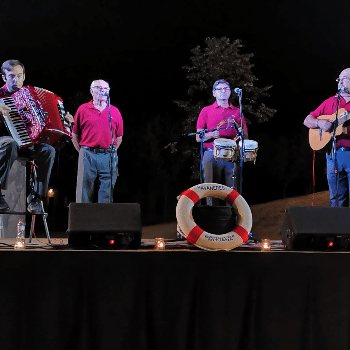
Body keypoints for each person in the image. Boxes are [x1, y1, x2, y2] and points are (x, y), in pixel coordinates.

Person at [0, 59, 56, 213]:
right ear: (4, 77)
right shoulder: (0, 94)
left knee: (49, 151)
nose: (15, 79)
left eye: (19, 76)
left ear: (24, 76)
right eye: (11, 76)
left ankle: (35, 197)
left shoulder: (29, 95)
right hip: (5, 143)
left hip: (27, 143)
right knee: (10, 143)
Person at [304, 68, 350, 207]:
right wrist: (320, 122)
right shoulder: (330, 102)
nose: (340, 81)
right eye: (339, 79)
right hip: (332, 156)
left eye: (344, 78)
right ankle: (337, 228)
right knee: (336, 200)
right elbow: (307, 120)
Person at [72, 79, 123, 203]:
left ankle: (103, 220)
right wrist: (82, 151)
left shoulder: (115, 111)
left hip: (108, 155)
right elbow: (74, 134)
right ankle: (83, 219)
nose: (103, 91)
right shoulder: (83, 109)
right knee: (84, 190)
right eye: (99, 88)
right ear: (91, 91)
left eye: (106, 89)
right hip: (88, 153)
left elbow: (119, 137)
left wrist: (110, 152)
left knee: (107, 191)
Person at [196, 79, 248, 194]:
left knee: (233, 190)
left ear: (230, 92)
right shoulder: (206, 111)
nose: (223, 91)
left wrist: (241, 133)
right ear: (214, 93)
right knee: (210, 189)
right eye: (219, 89)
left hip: (232, 154)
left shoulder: (237, 112)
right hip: (211, 153)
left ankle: (233, 211)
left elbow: (246, 137)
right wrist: (210, 134)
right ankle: (211, 211)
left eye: (226, 88)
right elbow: (198, 137)